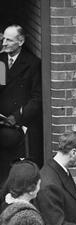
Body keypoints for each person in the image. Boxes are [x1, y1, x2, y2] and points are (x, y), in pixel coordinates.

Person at [0, 25, 42, 185]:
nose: (4, 43)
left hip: (21, 125)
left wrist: (15, 117)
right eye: (3, 38)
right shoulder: (2, 61)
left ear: (21, 41)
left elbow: (37, 99)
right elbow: (1, 86)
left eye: (9, 40)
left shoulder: (32, 63)